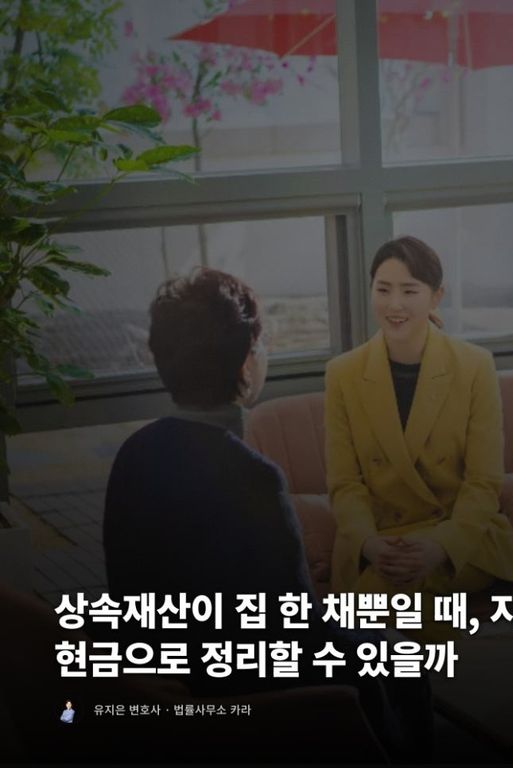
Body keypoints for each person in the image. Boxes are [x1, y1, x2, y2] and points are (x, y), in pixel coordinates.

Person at [103, 268, 432, 759]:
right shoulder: (252, 476)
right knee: (402, 659)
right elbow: (298, 628)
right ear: (246, 363)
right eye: (261, 345)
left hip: (161, 674)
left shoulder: (136, 452)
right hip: (250, 688)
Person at [325, 236, 513, 637]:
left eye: (409, 291)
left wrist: (439, 547)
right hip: (381, 541)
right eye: (383, 290)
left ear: (436, 297)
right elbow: (345, 484)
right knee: (388, 594)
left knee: (381, 602)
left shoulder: (474, 366)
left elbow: (483, 482)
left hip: (458, 537)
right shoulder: (343, 373)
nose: (394, 305)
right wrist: (370, 545)